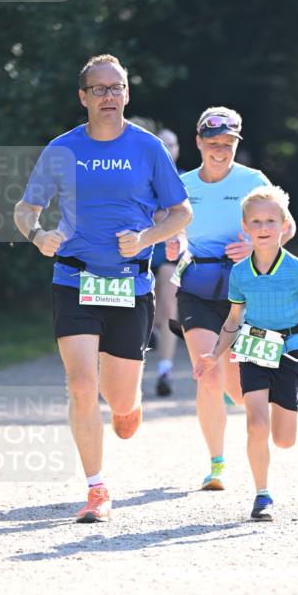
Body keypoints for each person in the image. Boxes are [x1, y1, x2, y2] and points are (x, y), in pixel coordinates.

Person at [14, 54, 192, 522]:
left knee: (121, 402)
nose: (109, 97)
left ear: (127, 94)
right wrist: (38, 236)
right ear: (83, 97)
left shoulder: (148, 148)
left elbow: (181, 212)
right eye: (100, 89)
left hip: (129, 286)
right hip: (73, 277)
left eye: (117, 88)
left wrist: (146, 240)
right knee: (79, 384)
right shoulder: (62, 149)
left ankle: (128, 407)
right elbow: (25, 210)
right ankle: (96, 489)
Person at [194, 185, 298, 521]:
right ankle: (262, 495)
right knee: (256, 423)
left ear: (284, 225)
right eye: (255, 222)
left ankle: (278, 432)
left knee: (283, 439)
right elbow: (233, 319)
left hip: (288, 351)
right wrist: (214, 354)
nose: (263, 228)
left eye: (270, 221)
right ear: (244, 227)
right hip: (253, 347)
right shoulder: (240, 273)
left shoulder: (297, 269)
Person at [167, 106, 296, 491]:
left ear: (236, 144)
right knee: (208, 373)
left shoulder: (253, 181)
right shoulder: (183, 185)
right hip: (197, 289)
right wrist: (172, 243)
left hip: (245, 291)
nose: (220, 151)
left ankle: (263, 418)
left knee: (240, 391)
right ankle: (216, 464)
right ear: (198, 142)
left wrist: (256, 245)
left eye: (228, 144)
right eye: (213, 143)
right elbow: (168, 229)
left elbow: (287, 226)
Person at [131, 122, 183, 397]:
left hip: (172, 250)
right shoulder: (139, 177)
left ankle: (165, 368)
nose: (166, 148)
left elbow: (188, 217)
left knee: (167, 303)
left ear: (177, 150)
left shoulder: (186, 179)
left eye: (171, 144)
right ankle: (146, 337)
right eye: (161, 143)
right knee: (144, 307)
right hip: (139, 249)